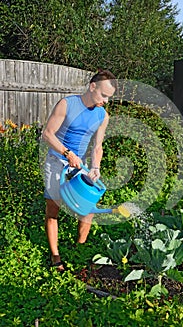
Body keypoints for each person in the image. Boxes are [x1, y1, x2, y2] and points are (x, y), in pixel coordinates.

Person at [42, 69, 117, 272]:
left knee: (88, 210)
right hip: (57, 162)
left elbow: (98, 146)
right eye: (104, 95)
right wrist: (67, 153)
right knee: (53, 210)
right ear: (92, 87)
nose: (106, 101)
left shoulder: (103, 115)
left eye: (109, 97)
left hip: (79, 166)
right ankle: (55, 258)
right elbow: (47, 134)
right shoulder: (67, 104)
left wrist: (95, 167)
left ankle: (79, 250)